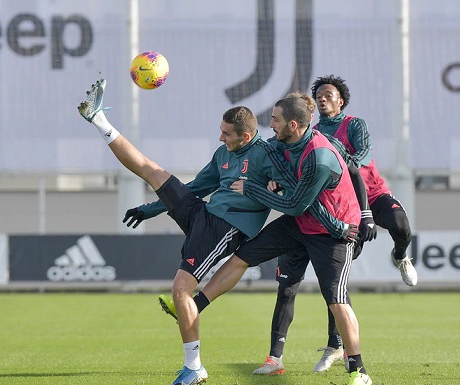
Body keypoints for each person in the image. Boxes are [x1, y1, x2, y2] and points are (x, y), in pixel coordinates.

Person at [77, 79, 358, 385]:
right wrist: (152, 208)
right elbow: (197, 187)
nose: (220, 137)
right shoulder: (223, 153)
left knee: (180, 288)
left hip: (226, 227)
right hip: (203, 214)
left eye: (226, 134)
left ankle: (194, 366)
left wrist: (332, 222)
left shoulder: (268, 155)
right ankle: (99, 119)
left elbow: (297, 197)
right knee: (151, 170)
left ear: (245, 136)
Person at [174, 92, 374, 385]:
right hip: (299, 224)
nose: (271, 124)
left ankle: (359, 370)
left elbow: (296, 204)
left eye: (275, 119)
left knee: (336, 299)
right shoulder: (281, 143)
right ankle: (197, 305)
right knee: (243, 257)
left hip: (333, 232)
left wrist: (253, 189)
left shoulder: (318, 157)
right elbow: (290, 195)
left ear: (293, 125)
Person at [251, 75, 417, 376]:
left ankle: (401, 255)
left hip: (369, 195)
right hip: (338, 207)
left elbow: (360, 160)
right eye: (320, 94)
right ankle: (332, 346)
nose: (324, 98)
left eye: (330, 94)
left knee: (400, 225)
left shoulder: (352, 125)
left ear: (341, 101)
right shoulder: (307, 135)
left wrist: (365, 212)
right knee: (333, 286)